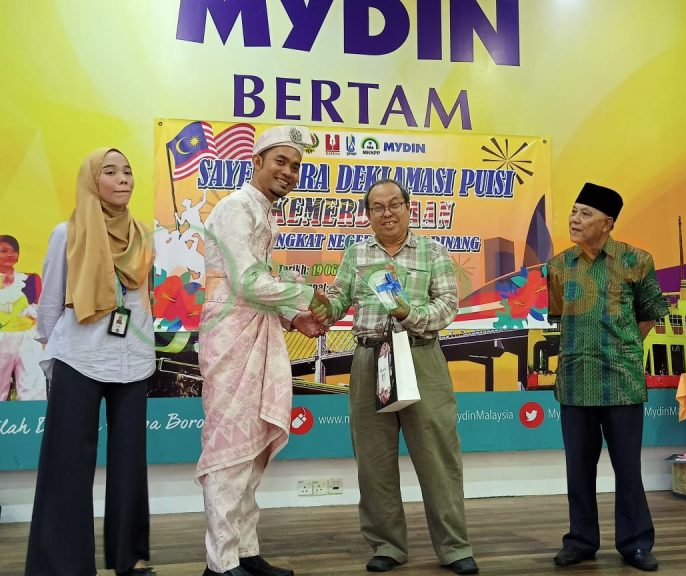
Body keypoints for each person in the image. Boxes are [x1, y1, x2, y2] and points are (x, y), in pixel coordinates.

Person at [314, 179, 478, 575]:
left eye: (394, 205)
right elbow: (338, 300)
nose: (386, 213)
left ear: (408, 207)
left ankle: (454, 547)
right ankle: (387, 544)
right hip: (369, 358)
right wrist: (321, 307)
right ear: (368, 214)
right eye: (377, 207)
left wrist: (410, 315)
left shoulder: (433, 251)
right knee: (374, 460)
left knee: (438, 457)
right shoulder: (356, 253)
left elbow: (448, 305)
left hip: (420, 354)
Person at [196, 125, 328, 576]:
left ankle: (244, 552)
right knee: (231, 446)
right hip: (230, 331)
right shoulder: (236, 207)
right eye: (280, 162)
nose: (288, 172)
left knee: (252, 447)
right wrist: (307, 296)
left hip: (256, 327)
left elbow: (258, 284)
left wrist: (293, 317)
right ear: (257, 162)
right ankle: (220, 563)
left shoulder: (262, 212)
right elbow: (247, 281)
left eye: (295, 165)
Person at [25, 149, 156, 576]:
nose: (123, 179)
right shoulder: (67, 233)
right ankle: (62, 563)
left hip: (132, 359)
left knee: (130, 460)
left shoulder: (143, 234)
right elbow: (50, 303)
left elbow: (142, 301)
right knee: (68, 461)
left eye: (128, 172)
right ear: (91, 181)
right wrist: (55, 350)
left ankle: (129, 555)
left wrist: (144, 346)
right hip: (79, 357)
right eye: (110, 172)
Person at [547, 183, 669, 572]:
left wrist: (622, 346)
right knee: (578, 469)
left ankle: (635, 543)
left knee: (628, 469)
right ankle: (581, 541)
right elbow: (558, 315)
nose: (574, 219)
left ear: (608, 223)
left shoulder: (637, 260)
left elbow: (649, 314)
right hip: (575, 380)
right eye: (573, 211)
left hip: (621, 381)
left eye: (585, 213)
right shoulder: (558, 265)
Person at [0, 235, 47, 400]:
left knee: (33, 389)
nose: (10, 254)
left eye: (14, 251)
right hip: (1, 339)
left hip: (27, 339)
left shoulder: (30, 280)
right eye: (3, 251)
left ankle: (33, 416)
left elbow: (40, 309)